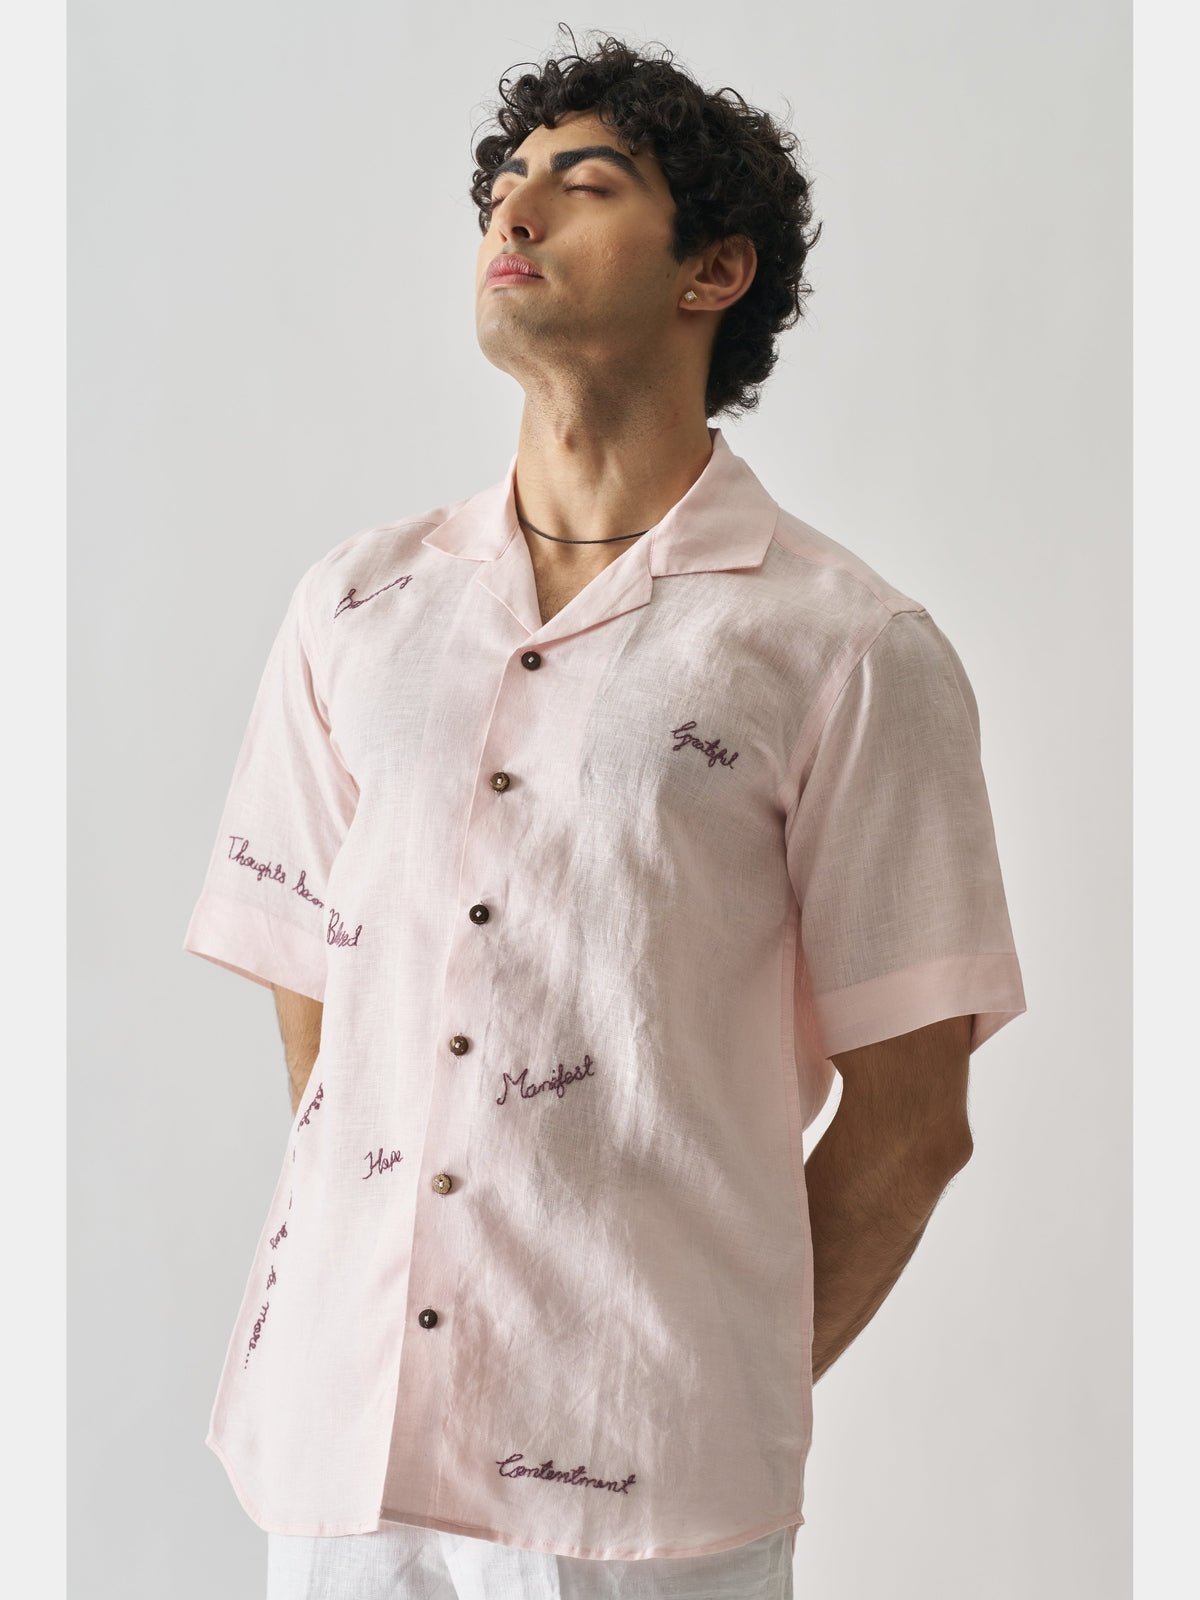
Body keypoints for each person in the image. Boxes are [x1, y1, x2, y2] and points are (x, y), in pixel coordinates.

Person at [183, 27, 1027, 1600]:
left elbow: (915, 1125)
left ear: (715, 270)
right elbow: (322, 1002)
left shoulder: (846, 647)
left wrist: (684, 1382)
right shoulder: (357, 607)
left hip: (645, 1506)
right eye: (505, 184)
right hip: (336, 1456)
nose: (514, 214)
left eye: (584, 185)